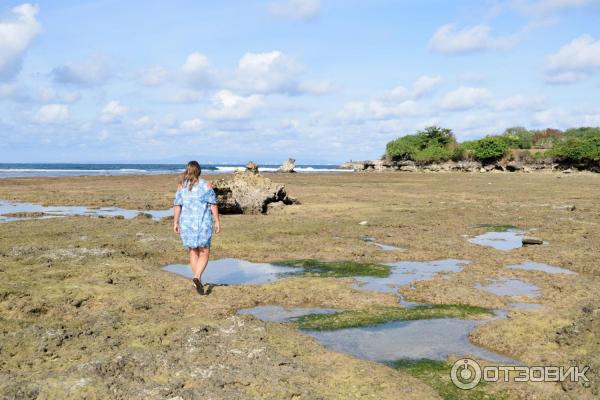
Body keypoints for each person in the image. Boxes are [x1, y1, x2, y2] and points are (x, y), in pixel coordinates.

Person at [173, 161, 221, 294]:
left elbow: (178, 205)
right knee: (204, 251)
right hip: (202, 223)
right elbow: (213, 204)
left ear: (187, 170)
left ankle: (197, 280)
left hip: (187, 224)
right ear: (199, 171)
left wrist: (175, 222)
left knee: (193, 251)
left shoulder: (181, 186)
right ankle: (197, 277)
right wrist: (217, 221)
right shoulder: (206, 185)